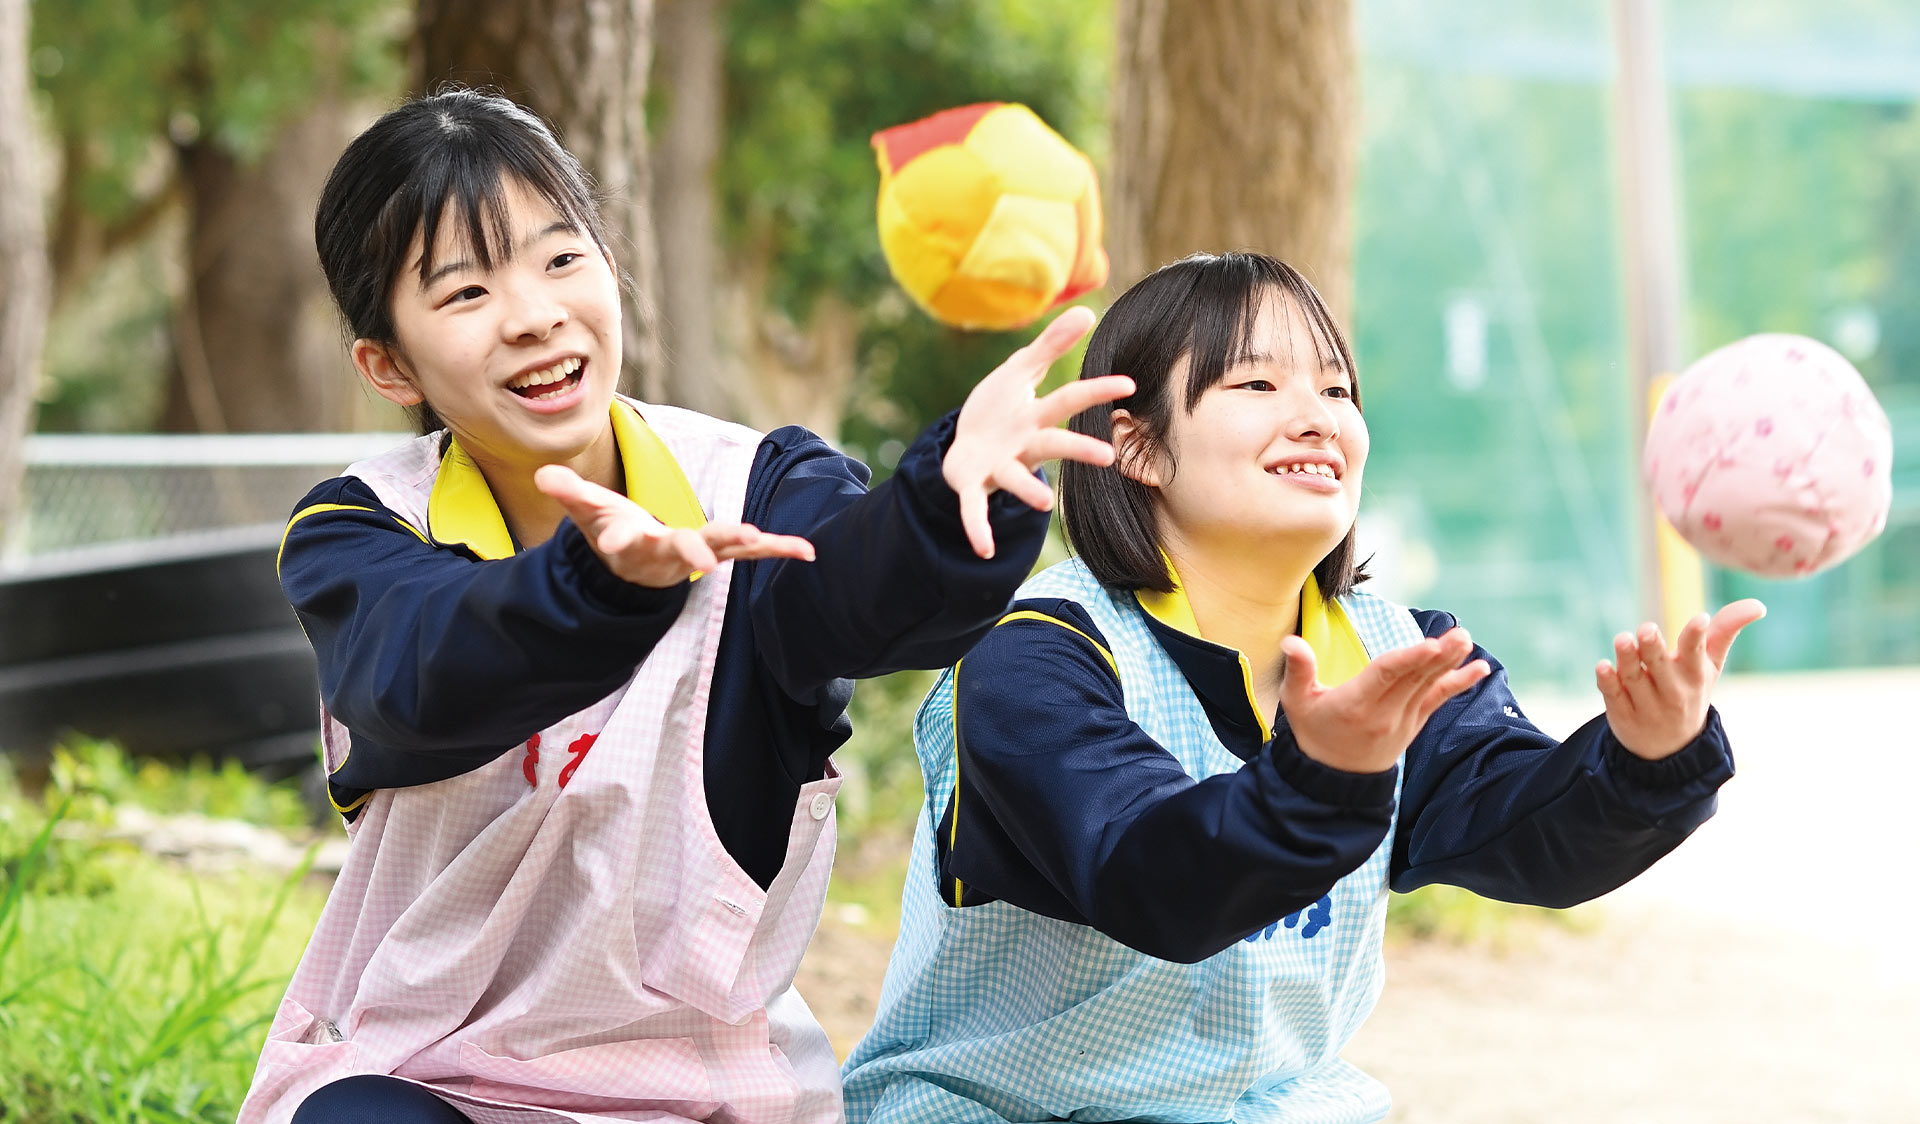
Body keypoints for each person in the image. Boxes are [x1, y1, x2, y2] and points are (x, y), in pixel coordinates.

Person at [238, 89, 1132, 1124]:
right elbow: (424, 670)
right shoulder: (359, 531)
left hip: (699, 1087)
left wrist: (947, 500)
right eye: (466, 290)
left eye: (561, 258)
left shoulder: (756, 483)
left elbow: (855, 585)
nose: (535, 313)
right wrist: (597, 585)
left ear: (613, 273)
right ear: (388, 364)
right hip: (423, 1072)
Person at [839, 251, 1765, 1124]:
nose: (1320, 415)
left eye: (1336, 388)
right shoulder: (1041, 652)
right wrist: (1325, 776)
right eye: (1257, 383)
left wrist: (1647, 757)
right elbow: (1151, 876)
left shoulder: (1399, 650)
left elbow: (1525, 833)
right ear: (1139, 448)